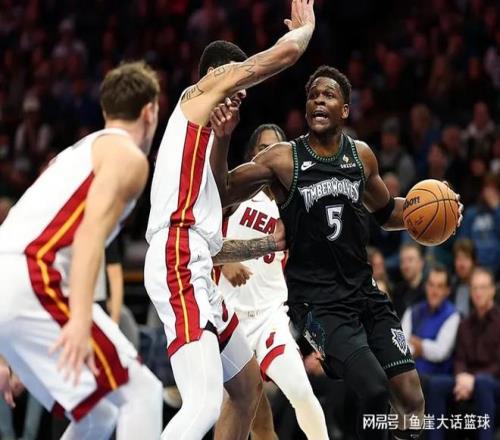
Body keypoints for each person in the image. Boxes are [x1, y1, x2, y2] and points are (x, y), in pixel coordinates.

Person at [210, 65, 464, 440]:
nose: (318, 100)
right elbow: (222, 191)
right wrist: (222, 139)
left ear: (345, 109)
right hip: (318, 303)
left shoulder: (361, 157)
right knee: (375, 391)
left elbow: (387, 213)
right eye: (313, 95)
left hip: (364, 293)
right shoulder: (283, 159)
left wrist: (437, 210)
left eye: (328, 95)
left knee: (412, 402)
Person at [144, 1, 315, 439]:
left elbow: (215, 238)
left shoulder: (203, 138)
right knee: (202, 405)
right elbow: (280, 57)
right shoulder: (196, 95)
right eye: (235, 83)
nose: (241, 93)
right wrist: (302, 33)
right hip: (178, 257)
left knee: (246, 387)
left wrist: (269, 244)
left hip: (195, 259)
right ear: (214, 75)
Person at [0, 61, 163, 440]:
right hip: (34, 278)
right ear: (150, 111)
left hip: (11, 284)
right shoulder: (128, 157)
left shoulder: (73, 155)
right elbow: (89, 234)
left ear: (106, 110)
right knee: (142, 394)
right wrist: (79, 319)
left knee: (99, 414)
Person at [216, 124, 328, 440]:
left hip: (269, 317)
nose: (270, 154)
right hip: (228, 319)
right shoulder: (234, 193)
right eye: (262, 148)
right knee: (253, 420)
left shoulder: (295, 206)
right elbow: (194, 235)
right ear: (252, 155)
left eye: (277, 148)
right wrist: (223, 260)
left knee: (300, 391)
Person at [425, 267, 500, 440]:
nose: (478, 293)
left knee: (483, 383)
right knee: (436, 384)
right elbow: (459, 359)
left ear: (492, 290)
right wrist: (461, 378)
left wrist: (473, 380)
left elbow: (498, 364)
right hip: (466, 381)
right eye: (474, 288)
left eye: (483, 288)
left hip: (493, 382)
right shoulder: (464, 323)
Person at [401, 265, 460, 378]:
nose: (434, 291)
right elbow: (401, 346)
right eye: (431, 285)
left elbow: (441, 352)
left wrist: (420, 345)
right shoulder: (412, 311)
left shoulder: (452, 315)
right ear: (426, 286)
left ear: (447, 290)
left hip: (436, 377)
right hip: (409, 374)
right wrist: (420, 349)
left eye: (440, 286)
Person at [392, 243, 426, 318]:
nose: (405, 266)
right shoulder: (397, 290)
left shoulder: (429, 289)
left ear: (421, 262)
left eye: (410, 260)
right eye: (402, 261)